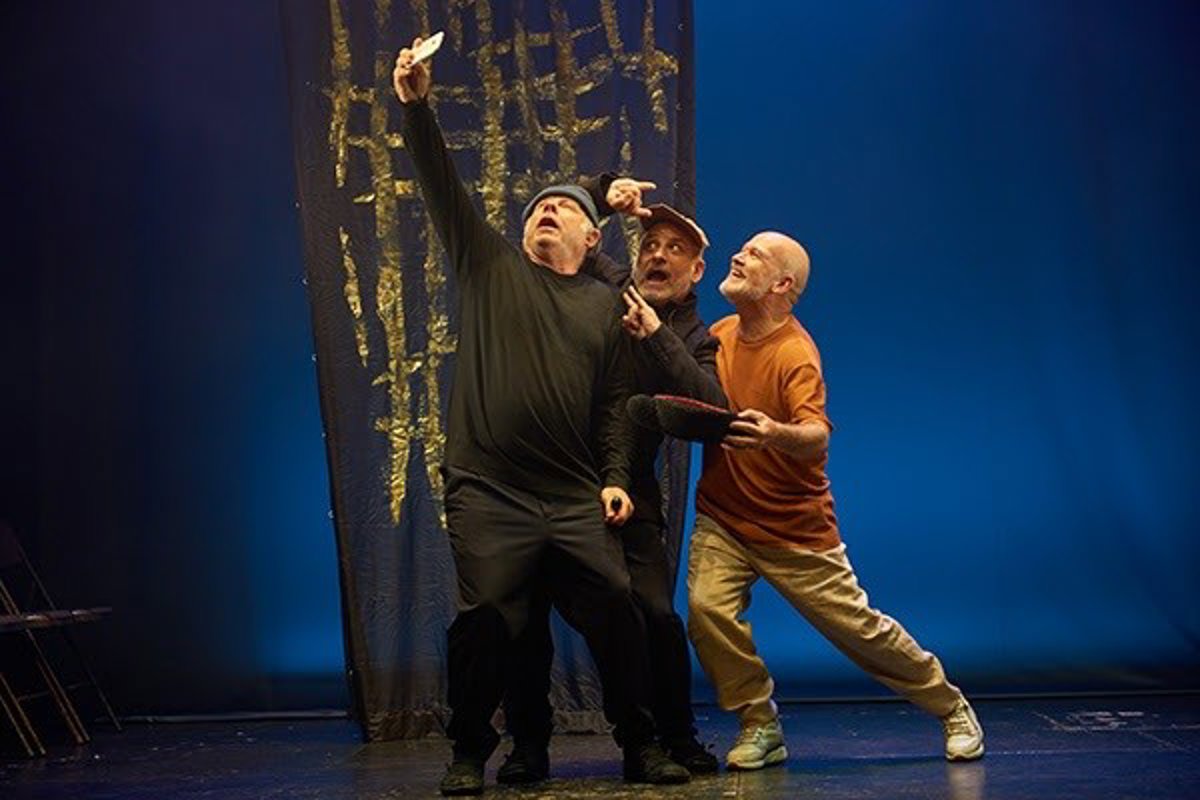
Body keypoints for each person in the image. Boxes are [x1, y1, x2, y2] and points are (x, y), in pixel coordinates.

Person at [392, 39, 689, 795]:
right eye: (536, 209)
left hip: (572, 494)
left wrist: (615, 477)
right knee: (494, 616)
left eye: (563, 207)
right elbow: (440, 184)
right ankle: (473, 750)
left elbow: (615, 409)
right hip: (490, 491)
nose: (547, 211)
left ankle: (641, 743)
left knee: (618, 605)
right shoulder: (490, 268)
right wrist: (417, 107)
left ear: (592, 237)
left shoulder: (606, 304)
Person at [686, 231, 985, 770]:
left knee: (859, 631)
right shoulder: (721, 334)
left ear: (781, 284)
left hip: (793, 530)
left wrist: (774, 433)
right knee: (708, 612)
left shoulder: (794, 353)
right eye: (742, 248)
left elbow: (816, 436)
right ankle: (759, 724)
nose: (737, 256)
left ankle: (950, 706)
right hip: (723, 519)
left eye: (754, 255)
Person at [498, 190, 725, 784]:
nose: (658, 255)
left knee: (655, 613)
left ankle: (675, 736)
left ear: (697, 270)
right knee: (523, 614)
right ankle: (528, 745)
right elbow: (564, 221)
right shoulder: (612, 285)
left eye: (675, 249)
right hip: (559, 488)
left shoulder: (696, 338)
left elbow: (712, 410)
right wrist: (604, 192)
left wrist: (655, 336)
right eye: (650, 244)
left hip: (633, 496)